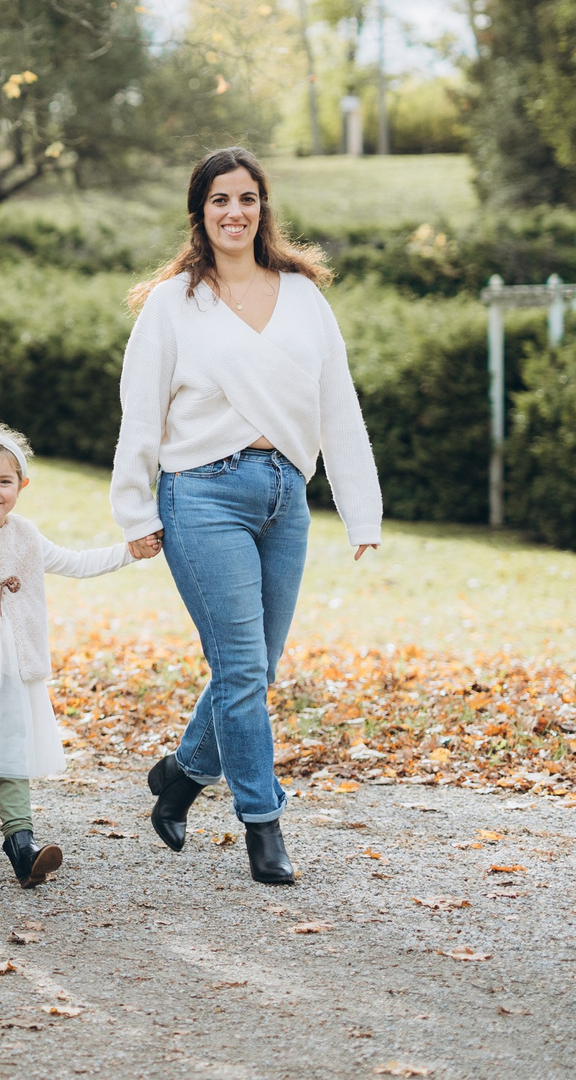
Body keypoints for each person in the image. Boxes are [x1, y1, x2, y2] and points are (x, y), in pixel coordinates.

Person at [112, 146, 382, 888]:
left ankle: (180, 775)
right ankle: (264, 825)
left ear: (264, 208)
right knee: (239, 670)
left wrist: (361, 508)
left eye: (248, 198)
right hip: (200, 494)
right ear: (199, 213)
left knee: (254, 669)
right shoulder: (174, 303)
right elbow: (141, 410)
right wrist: (133, 506)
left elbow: (338, 403)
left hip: (283, 496)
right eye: (219, 200)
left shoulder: (301, 294)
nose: (235, 211)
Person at [0, 421, 162, 888]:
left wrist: (130, 551)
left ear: (21, 484)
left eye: (4, 481)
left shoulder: (25, 534)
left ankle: (21, 847)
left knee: (12, 750)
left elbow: (76, 562)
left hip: (11, 666)